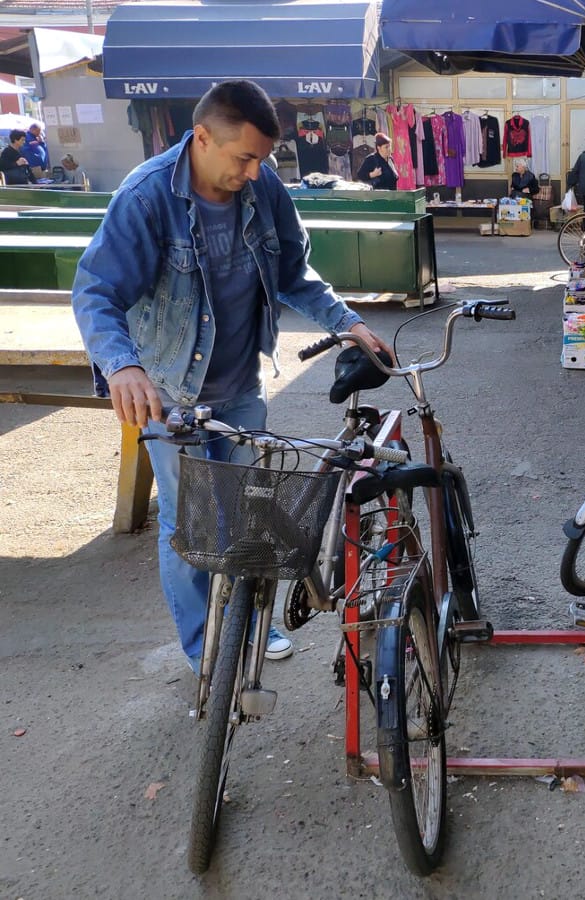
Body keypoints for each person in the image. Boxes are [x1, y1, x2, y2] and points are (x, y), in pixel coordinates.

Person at [71, 80, 388, 675]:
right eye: (243, 158)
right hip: (168, 391)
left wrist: (348, 322)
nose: (253, 173)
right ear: (202, 138)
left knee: (248, 511)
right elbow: (96, 292)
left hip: (240, 384)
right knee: (188, 524)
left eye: (262, 159)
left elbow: (294, 273)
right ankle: (206, 648)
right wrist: (122, 365)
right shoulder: (145, 199)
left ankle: (246, 620)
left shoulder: (263, 187)